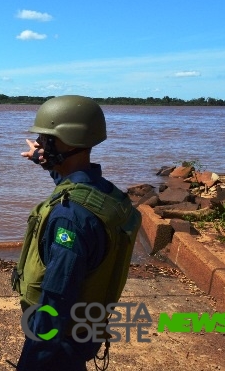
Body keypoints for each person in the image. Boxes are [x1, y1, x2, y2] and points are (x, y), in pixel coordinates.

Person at [11, 95, 141, 371]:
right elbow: (73, 182)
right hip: (85, 330)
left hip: (59, 343)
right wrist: (47, 162)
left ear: (67, 141)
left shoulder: (70, 218)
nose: (41, 142)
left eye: (46, 137)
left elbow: (57, 298)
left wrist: (33, 360)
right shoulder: (106, 194)